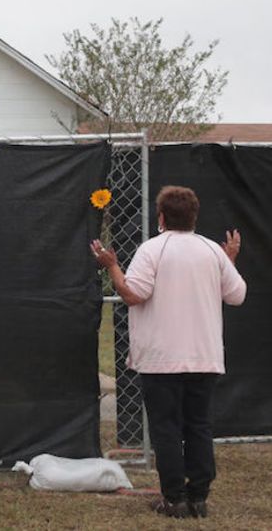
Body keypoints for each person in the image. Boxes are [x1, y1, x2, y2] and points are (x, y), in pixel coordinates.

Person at [91, 185, 246, 519]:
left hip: (162, 359)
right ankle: (199, 497)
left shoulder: (152, 250)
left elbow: (134, 294)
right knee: (199, 425)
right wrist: (228, 261)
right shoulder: (211, 250)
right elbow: (237, 295)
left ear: (160, 217)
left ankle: (174, 498)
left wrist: (111, 266)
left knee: (167, 427)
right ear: (194, 216)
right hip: (204, 357)